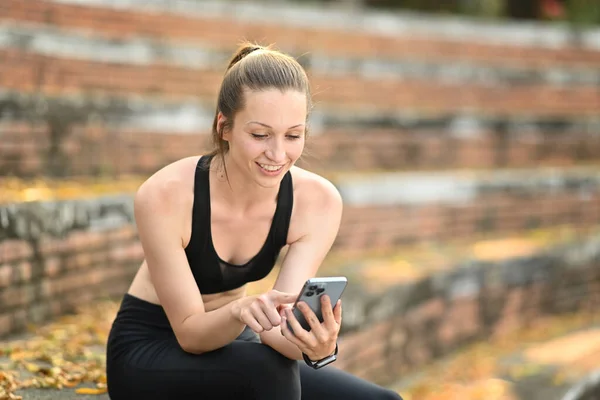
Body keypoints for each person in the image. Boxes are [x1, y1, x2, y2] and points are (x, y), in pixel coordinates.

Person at [105, 42, 403, 400]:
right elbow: (191, 335)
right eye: (260, 135)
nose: (278, 154)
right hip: (153, 348)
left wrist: (318, 348)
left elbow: (279, 336)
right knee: (268, 373)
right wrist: (240, 310)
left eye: (293, 135)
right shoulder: (166, 194)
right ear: (225, 127)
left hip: (239, 342)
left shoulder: (317, 202)